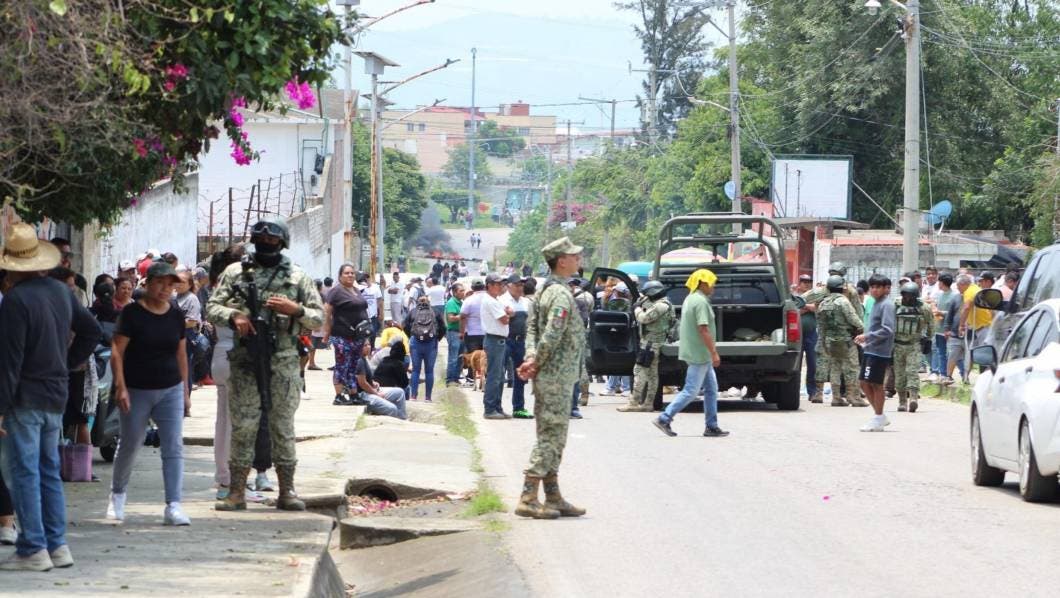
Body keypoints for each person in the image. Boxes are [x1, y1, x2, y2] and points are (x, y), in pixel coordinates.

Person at [0, 224, 101, 571]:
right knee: (48, 472)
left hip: (24, 398)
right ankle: (57, 546)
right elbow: (92, 332)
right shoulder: (61, 293)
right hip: (55, 394)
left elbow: (9, 361)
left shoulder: (15, 300)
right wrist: (68, 363)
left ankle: (32, 549)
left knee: (25, 472)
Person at [206, 217, 324, 512]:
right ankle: (236, 492)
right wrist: (235, 317)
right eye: (261, 240)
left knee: (282, 426)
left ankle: (287, 490)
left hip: (283, 361)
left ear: (282, 243)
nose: (266, 244)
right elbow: (212, 307)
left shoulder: (297, 277)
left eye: (272, 240)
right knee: (244, 427)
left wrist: (294, 309)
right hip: (246, 359)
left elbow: (318, 318)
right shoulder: (235, 273)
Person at [107, 262, 191, 526]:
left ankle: (173, 505)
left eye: (171, 284)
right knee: (131, 443)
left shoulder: (176, 315)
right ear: (148, 283)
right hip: (136, 388)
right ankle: (118, 494)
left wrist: (185, 391)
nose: (166, 289)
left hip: (170, 388)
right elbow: (116, 351)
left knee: (174, 445)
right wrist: (120, 386)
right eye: (160, 283)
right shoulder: (132, 314)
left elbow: (181, 353)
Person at [514, 237, 587, 520]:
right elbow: (552, 334)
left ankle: (553, 496)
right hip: (556, 375)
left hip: (551, 374)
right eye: (574, 256)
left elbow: (532, 331)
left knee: (555, 436)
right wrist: (537, 362)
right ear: (561, 261)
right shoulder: (559, 295)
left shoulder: (544, 290)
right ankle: (528, 496)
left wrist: (532, 358)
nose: (578, 259)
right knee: (550, 437)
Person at [652, 269, 729, 438]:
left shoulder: (690, 298)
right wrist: (714, 352)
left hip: (698, 352)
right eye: (711, 283)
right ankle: (664, 418)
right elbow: (703, 329)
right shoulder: (700, 302)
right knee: (691, 390)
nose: (713, 287)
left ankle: (711, 426)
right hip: (700, 353)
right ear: (702, 283)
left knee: (711, 389)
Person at [620, 280, 674, 412]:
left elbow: (644, 318)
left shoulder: (661, 306)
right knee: (652, 375)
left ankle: (634, 402)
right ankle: (648, 404)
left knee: (639, 372)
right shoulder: (664, 304)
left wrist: (637, 308)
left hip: (650, 344)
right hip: (653, 343)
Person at [814, 275, 866, 407]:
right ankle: (853, 397)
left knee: (835, 368)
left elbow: (821, 325)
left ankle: (836, 397)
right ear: (842, 288)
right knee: (852, 368)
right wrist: (861, 329)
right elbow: (854, 319)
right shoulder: (843, 301)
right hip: (846, 340)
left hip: (830, 341)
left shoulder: (823, 303)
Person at [854, 275, 896, 432]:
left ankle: (878, 417)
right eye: (872, 287)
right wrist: (866, 340)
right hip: (870, 349)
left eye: (878, 287)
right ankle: (879, 415)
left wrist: (867, 336)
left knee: (876, 384)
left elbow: (888, 329)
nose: (874, 290)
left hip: (880, 352)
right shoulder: (875, 303)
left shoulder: (887, 305)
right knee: (864, 383)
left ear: (887, 289)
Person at [323, 264, 369, 406]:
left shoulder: (356, 290)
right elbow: (327, 313)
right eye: (346, 273)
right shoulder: (336, 291)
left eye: (352, 273)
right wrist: (327, 333)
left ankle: (353, 394)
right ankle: (339, 396)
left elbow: (362, 311)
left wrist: (366, 338)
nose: (350, 275)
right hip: (342, 335)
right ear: (340, 276)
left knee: (353, 366)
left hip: (358, 335)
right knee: (342, 365)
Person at [893, 282, 934, 413]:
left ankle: (913, 399)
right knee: (899, 375)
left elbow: (931, 324)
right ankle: (902, 401)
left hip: (914, 345)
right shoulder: (896, 305)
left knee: (912, 372)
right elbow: (888, 321)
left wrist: (928, 339)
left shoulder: (924, 308)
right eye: (905, 296)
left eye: (911, 296)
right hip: (897, 344)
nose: (907, 299)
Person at [481, 273, 513, 418]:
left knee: (499, 376)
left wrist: (508, 314)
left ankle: (497, 407)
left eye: (501, 284)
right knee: (494, 376)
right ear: (489, 285)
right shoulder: (491, 301)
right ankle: (489, 408)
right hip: (494, 340)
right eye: (497, 284)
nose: (500, 287)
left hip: (498, 340)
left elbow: (507, 314)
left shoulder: (496, 300)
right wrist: (508, 314)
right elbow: (504, 319)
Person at [404, 295, 445, 402]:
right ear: (429, 302)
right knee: (429, 371)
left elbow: (404, 325)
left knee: (416, 371)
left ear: (418, 302)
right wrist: (437, 338)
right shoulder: (435, 312)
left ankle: (413, 396)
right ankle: (428, 397)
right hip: (431, 344)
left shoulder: (413, 311)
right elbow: (443, 328)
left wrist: (412, 336)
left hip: (416, 343)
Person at [503, 276, 533, 419]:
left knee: (521, 375)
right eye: (517, 285)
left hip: (521, 342)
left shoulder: (526, 302)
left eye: (522, 285)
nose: (520, 287)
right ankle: (495, 406)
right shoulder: (502, 300)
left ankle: (519, 408)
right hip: (505, 340)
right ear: (509, 286)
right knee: (498, 374)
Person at [353, 342, 407, 419]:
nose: (368, 347)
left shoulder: (364, 359)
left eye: (369, 344)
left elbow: (366, 379)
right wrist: (377, 394)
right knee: (392, 409)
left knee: (400, 392)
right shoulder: (359, 361)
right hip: (363, 395)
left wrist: (373, 383)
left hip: (371, 390)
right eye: (365, 345)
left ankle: (402, 418)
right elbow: (362, 384)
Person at [795, 275, 819, 402]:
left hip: (811, 334)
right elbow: (793, 311)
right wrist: (807, 308)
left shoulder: (815, 296)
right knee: (795, 364)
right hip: (796, 335)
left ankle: (812, 391)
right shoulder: (793, 296)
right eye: (804, 282)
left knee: (813, 364)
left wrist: (804, 307)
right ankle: (794, 391)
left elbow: (818, 308)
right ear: (799, 283)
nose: (806, 284)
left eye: (809, 282)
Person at [460, 279, 487, 386]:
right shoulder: (490, 299)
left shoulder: (469, 300)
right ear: (484, 287)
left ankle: (473, 379)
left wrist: (461, 332)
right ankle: (485, 378)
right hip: (487, 333)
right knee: (485, 357)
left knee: (473, 358)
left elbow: (462, 316)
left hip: (472, 333)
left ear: (472, 288)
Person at [444, 283, 465, 386]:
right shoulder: (452, 303)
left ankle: (456, 378)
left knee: (460, 357)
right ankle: (450, 379)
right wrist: (462, 316)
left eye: (463, 290)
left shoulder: (461, 302)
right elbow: (450, 318)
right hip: (453, 332)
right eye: (461, 291)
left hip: (461, 332)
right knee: (453, 357)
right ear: (455, 292)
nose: (463, 292)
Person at [357, 271, 383, 348]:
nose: (365, 281)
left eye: (366, 279)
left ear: (369, 279)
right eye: (363, 279)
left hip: (373, 316)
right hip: (362, 316)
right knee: (363, 334)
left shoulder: (375, 287)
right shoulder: (359, 288)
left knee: (373, 333)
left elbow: (380, 301)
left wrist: (381, 314)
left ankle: (372, 348)